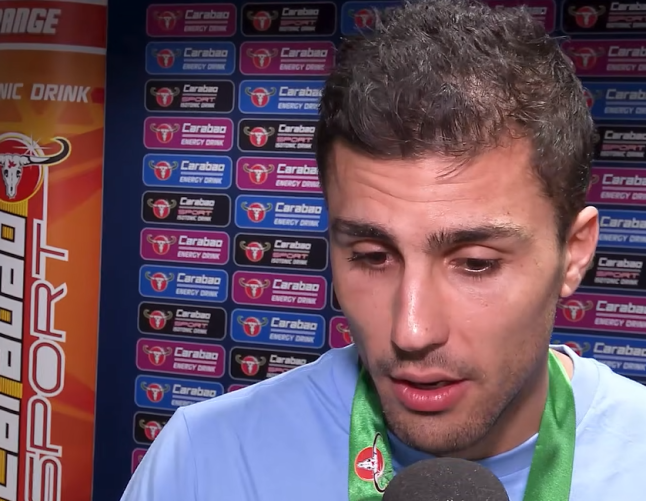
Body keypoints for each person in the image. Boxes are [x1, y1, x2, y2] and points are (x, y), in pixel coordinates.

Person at [121, 1, 646, 499]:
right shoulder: (203, 461)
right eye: (372, 256)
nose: (411, 331)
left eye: (476, 263)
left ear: (574, 253)